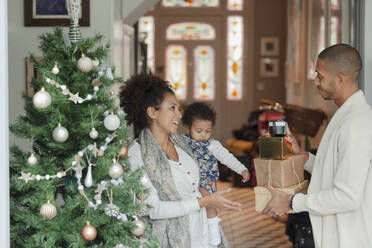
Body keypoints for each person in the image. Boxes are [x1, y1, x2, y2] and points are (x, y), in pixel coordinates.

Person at [262, 44, 372, 248]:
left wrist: (292, 202)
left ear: (340, 79)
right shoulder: (345, 115)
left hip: (349, 238)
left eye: (320, 76)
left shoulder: (356, 124)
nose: (316, 82)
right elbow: (334, 171)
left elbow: (347, 197)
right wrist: (302, 156)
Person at [120, 73, 241, 248]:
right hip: (170, 241)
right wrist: (204, 202)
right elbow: (152, 209)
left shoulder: (184, 143)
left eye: (179, 109)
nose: (179, 115)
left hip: (203, 236)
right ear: (152, 112)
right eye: (172, 108)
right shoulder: (137, 154)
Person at [182, 102, 250, 246]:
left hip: (207, 181)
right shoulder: (182, 142)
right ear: (188, 127)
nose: (203, 135)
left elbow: (227, 157)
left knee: (210, 202)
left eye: (207, 131)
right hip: (188, 182)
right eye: (198, 131)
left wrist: (241, 169)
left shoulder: (212, 145)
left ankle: (213, 226)